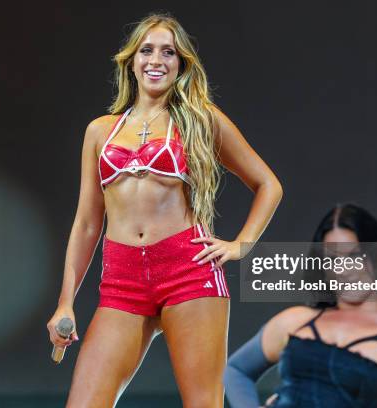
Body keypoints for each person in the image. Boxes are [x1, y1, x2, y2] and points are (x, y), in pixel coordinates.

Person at [46, 13, 283, 408]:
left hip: (188, 272)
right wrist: (65, 302)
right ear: (131, 60)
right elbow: (88, 223)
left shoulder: (200, 119)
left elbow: (269, 184)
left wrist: (241, 244)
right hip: (122, 280)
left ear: (181, 63)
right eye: (147, 50)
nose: (156, 60)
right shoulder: (100, 130)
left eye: (168, 52)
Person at [224, 204, 377, 408]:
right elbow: (235, 370)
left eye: (353, 255)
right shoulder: (296, 320)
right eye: (332, 259)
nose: (343, 269)